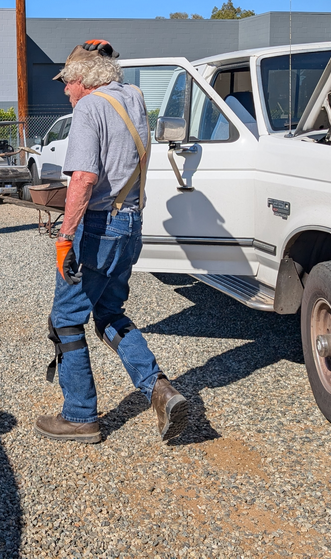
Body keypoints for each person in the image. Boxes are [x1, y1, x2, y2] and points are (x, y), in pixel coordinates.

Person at [36, 40, 190, 445]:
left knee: (67, 319)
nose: (65, 90)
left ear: (84, 79)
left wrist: (65, 237)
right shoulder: (134, 97)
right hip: (130, 223)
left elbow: (84, 178)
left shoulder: (89, 107)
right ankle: (160, 390)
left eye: (68, 81)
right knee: (108, 314)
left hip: (99, 226)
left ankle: (79, 416)